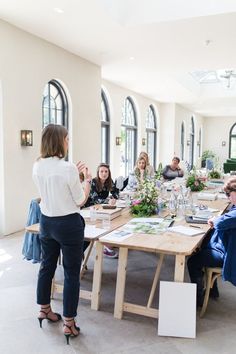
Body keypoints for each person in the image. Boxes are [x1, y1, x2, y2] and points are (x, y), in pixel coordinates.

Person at [33, 124, 92, 344]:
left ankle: (44, 309)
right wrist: (86, 179)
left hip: (46, 222)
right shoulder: (67, 168)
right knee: (70, 273)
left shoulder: (37, 165)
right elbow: (79, 200)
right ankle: (69, 323)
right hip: (68, 224)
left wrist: (73, 176)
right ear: (60, 141)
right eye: (67, 139)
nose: (68, 142)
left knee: (46, 266)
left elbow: (53, 191)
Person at [187, 177, 236, 307]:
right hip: (228, 246)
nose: (228, 198)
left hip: (228, 254)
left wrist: (214, 220)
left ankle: (199, 300)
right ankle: (212, 290)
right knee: (203, 244)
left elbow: (220, 222)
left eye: (229, 194)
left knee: (192, 261)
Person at [84, 163, 119, 258]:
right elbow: (95, 199)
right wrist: (108, 200)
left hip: (101, 208)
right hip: (89, 209)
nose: (104, 173)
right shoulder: (94, 182)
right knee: (104, 224)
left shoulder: (109, 181)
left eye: (106, 171)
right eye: (102, 171)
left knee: (114, 220)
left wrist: (114, 198)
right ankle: (106, 246)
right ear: (98, 172)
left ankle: (109, 243)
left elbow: (116, 192)